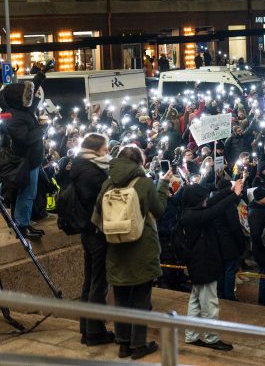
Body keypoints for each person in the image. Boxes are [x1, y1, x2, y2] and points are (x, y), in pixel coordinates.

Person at [94, 145, 172, 360]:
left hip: (116, 249)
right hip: (142, 248)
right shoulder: (145, 183)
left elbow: (97, 217)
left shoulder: (107, 183)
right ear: (140, 162)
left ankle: (123, 344)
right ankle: (138, 345)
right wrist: (164, 184)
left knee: (120, 299)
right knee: (141, 299)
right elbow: (159, 210)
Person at [179, 174, 245, 351]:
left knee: (196, 301)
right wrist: (234, 195)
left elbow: (212, 201)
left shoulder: (190, 211)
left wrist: (229, 190)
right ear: (196, 201)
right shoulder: (194, 216)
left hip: (199, 263)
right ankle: (211, 338)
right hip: (203, 263)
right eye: (203, 199)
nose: (205, 201)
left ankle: (191, 336)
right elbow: (214, 209)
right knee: (210, 303)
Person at [68, 133, 114, 346]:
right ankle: (95, 331)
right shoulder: (92, 172)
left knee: (90, 280)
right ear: (96, 149)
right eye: (105, 149)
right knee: (98, 282)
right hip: (96, 231)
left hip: (87, 231)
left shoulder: (80, 165)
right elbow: (97, 201)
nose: (108, 153)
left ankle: (87, 328)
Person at [0, 68, 48, 238]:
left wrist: (41, 75)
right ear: (18, 100)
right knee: (27, 194)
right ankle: (22, 226)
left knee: (28, 193)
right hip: (27, 162)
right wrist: (42, 130)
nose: (29, 98)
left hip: (32, 160)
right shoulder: (12, 117)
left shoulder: (21, 109)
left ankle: (23, 222)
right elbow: (24, 139)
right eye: (25, 96)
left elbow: (31, 89)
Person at [247, 187, 265, 307]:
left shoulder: (260, 209)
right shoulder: (255, 213)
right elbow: (256, 235)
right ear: (259, 199)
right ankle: (264, 302)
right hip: (262, 251)